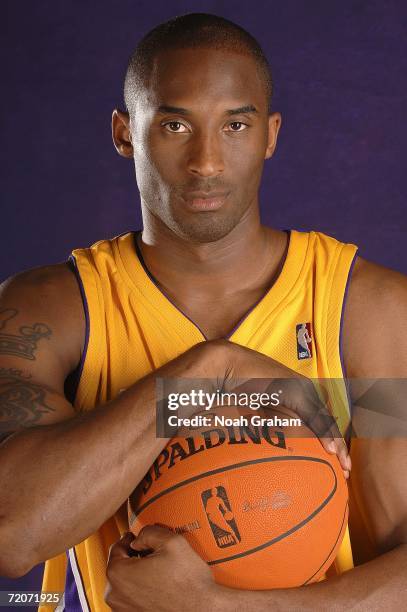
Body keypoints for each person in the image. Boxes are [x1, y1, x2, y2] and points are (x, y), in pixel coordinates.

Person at [0, 12, 406, 611]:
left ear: (270, 135)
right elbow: (14, 533)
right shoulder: (53, 312)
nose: (207, 161)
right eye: (174, 124)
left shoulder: (367, 313)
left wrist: (218, 607)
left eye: (236, 125)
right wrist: (201, 379)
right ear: (124, 133)